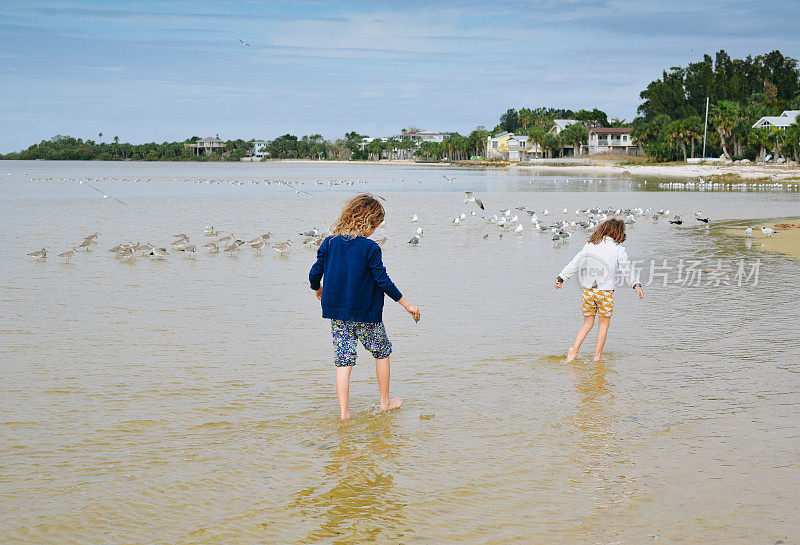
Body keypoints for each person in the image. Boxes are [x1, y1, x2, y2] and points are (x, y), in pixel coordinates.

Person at [309, 194, 420, 421]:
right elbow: (383, 281)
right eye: (375, 226)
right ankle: (385, 403)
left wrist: (317, 289)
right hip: (367, 315)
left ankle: (344, 413)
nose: (374, 232)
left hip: (338, 315)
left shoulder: (329, 243)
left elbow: (314, 273)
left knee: (343, 361)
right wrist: (407, 306)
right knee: (382, 352)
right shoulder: (370, 248)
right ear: (367, 221)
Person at [555, 218, 643, 362]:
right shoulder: (618, 249)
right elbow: (627, 268)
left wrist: (561, 277)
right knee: (603, 324)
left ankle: (574, 348)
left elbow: (575, 263)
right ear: (618, 233)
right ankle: (597, 357)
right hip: (605, 293)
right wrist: (636, 284)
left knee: (588, 322)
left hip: (588, 291)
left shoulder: (590, 245)